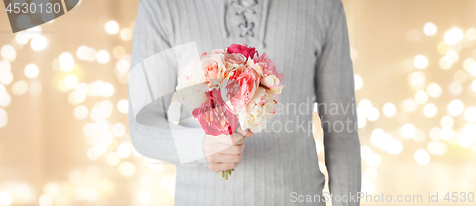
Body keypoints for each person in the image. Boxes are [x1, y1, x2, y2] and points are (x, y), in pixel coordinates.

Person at [129, 0, 361, 205]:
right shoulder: (161, 5)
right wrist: (199, 146)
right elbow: (142, 121)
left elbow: (341, 128)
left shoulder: (324, 5)